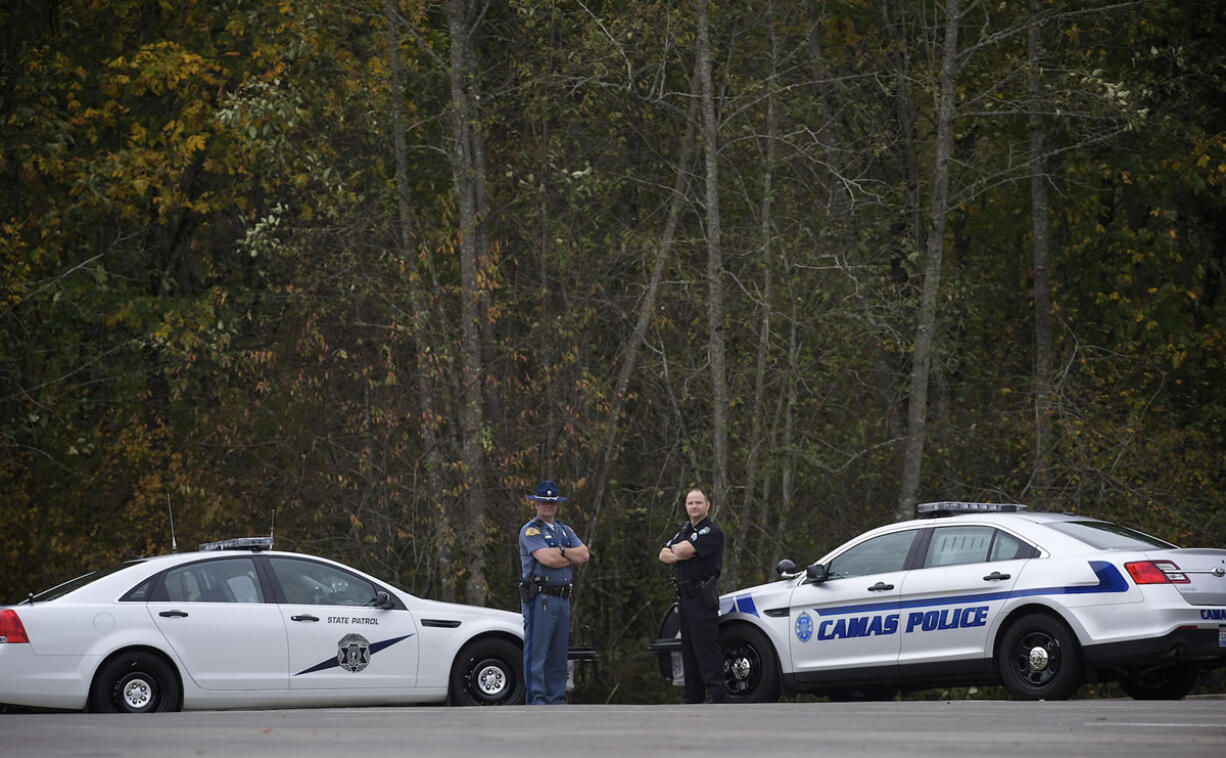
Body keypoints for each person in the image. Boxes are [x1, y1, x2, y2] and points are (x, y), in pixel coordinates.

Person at [518, 480, 590, 705]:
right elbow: (547, 559)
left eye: (552, 502)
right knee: (538, 654)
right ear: (536, 504)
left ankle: (556, 699)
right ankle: (537, 701)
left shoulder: (564, 529)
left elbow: (584, 554)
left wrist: (560, 551)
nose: (548, 506)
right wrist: (567, 555)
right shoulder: (531, 530)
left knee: (559, 656)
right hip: (541, 598)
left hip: (562, 598)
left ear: (556, 505)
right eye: (543, 502)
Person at [658, 487, 725, 704]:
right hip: (685, 598)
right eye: (690, 503)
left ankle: (716, 693)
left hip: (702, 596)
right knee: (688, 649)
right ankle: (693, 696)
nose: (694, 506)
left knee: (706, 647)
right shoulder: (684, 531)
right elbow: (663, 554)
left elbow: (681, 552)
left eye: (698, 502)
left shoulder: (711, 531)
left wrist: (678, 551)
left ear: (707, 505)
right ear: (685, 507)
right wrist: (680, 550)